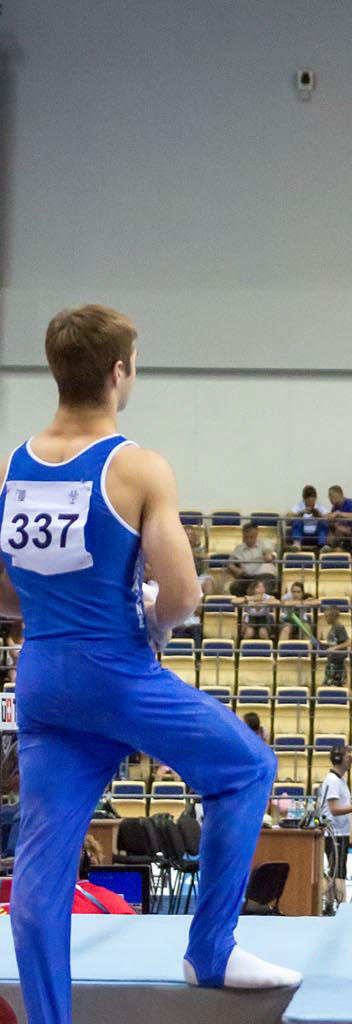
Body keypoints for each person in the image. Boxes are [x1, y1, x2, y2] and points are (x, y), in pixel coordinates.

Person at [0, 304, 299, 1012]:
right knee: (247, 768)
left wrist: (51, 613)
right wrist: (151, 625)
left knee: (43, 868)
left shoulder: (16, 466)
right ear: (118, 372)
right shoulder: (135, 467)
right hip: (116, 671)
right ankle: (210, 949)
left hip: (41, 677)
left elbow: (4, 593)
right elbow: (186, 595)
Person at [316, 745, 352, 913]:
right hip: (334, 833)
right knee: (338, 871)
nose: (351, 759)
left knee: (335, 870)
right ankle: (341, 906)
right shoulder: (332, 781)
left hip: (339, 832)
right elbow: (334, 809)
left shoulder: (340, 780)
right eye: (348, 756)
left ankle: (330, 905)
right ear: (339, 759)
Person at [226, 522, 278, 597]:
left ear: (256, 535)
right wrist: (237, 570)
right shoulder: (239, 548)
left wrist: (267, 555)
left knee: (262, 588)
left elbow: (269, 555)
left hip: (264, 575)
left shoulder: (264, 543)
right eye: (245, 537)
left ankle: (259, 606)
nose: (248, 540)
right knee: (234, 587)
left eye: (251, 537)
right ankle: (245, 606)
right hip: (247, 576)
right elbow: (229, 563)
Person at [286, 487, 327, 552]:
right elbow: (288, 516)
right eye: (308, 501)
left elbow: (328, 517)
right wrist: (301, 513)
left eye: (312, 501)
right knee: (297, 519)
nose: (310, 503)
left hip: (315, 536)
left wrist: (319, 515)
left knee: (323, 521)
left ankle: (322, 545)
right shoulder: (299, 506)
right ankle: (297, 544)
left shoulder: (320, 507)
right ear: (304, 499)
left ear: (315, 499)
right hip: (302, 535)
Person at [325, 484, 352, 551]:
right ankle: (328, 547)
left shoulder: (351, 503)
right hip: (343, 536)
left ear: (338, 495)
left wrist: (338, 513)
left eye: (331, 495)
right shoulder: (335, 507)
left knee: (340, 529)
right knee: (330, 531)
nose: (329, 498)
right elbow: (333, 522)